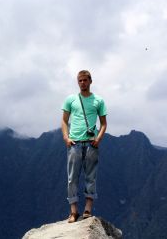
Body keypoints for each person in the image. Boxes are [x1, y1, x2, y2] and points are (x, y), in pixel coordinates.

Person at [61, 70, 107, 223]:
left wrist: (98, 139)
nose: (82, 83)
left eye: (85, 80)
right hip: (74, 143)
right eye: (80, 80)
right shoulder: (71, 100)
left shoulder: (98, 101)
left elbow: (103, 123)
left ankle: (87, 210)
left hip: (91, 143)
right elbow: (64, 120)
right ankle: (73, 212)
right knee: (72, 178)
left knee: (91, 177)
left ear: (90, 81)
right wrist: (66, 138)